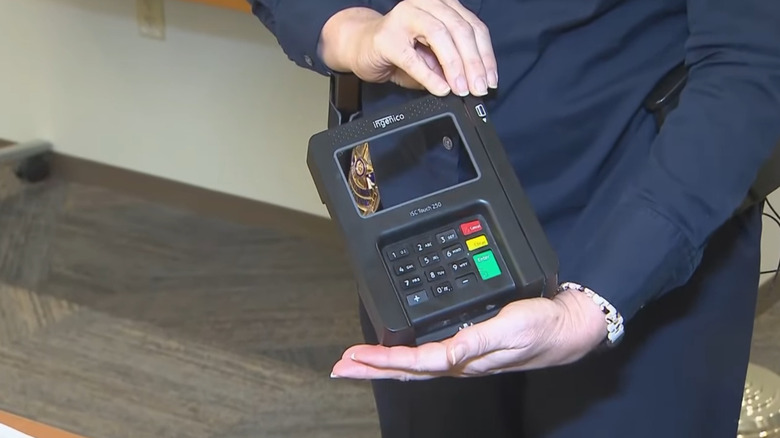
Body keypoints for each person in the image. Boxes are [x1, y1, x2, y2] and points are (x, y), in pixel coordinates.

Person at [248, 0, 780, 436]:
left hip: (634, 238)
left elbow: (750, 63)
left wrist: (599, 302)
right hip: (416, 225)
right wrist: (349, 29)